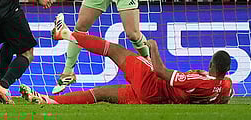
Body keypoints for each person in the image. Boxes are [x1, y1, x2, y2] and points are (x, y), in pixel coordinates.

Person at [20, 14, 233, 105]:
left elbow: (161, 72)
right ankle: (48, 100)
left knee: (115, 50)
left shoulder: (201, 82)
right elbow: (225, 96)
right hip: (152, 98)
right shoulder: (224, 86)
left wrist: (153, 48)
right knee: (100, 93)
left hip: (153, 83)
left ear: (212, 65)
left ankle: (64, 34)